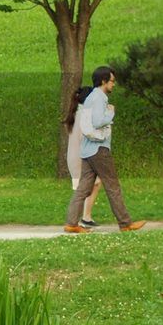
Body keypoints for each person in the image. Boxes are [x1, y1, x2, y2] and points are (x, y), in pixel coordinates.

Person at [64, 66, 146, 233]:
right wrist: (111, 113)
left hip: (87, 151)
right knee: (113, 186)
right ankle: (125, 224)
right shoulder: (99, 97)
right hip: (99, 150)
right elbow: (98, 121)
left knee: (83, 189)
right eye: (111, 81)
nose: (113, 85)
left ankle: (71, 224)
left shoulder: (89, 98)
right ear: (103, 81)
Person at [64, 86, 104, 228]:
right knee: (91, 185)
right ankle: (81, 218)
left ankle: (83, 218)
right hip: (81, 157)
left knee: (89, 186)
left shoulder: (76, 113)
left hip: (74, 157)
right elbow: (87, 136)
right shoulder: (83, 115)